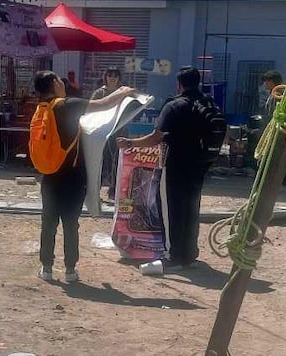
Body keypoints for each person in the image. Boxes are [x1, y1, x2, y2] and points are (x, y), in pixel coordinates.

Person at [118, 67, 226, 273]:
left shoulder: (174, 105)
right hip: (200, 165)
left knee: (172, 210)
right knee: (191, 208)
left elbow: (156, 136)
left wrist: (130, 142)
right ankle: (189, 255)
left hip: (176, 165)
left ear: (179, 84)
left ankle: (174, 256)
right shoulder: (208, 104)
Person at [33, 71, 134, 283]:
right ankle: (70, 271)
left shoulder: (41, 109)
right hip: (72, 175)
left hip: (50, 175)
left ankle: (47, 268)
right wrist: (123, 92)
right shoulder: (67, 105)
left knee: (48, 221)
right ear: (54, 83)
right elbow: (103, 104)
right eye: (60, 80)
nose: (63, 83)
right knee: (70, 223)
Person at [91, 68, 125, 198]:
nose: (112, 78)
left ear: (119, 78)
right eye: (110, 75)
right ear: (105, 77)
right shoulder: (100, 93)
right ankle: (95, 192)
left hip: (119, 131)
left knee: (117, 162)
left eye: (115, 75)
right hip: (102, 133)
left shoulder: (123, 92)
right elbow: (92, 109)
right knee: (100, 162)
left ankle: (113, 191)